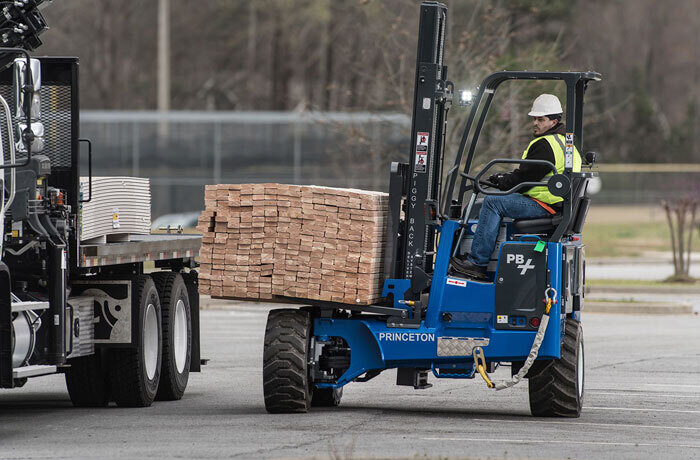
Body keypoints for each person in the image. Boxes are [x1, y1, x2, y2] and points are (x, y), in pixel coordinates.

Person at [451, 93, 582, 280]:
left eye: (541, 119)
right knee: (493, 200)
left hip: (543, 205)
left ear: (554, 121)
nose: (535, 123)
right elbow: (530, 174)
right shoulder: (566, 144)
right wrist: (504, 179)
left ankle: (477, 263)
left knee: (492, 203)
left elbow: (524, 179)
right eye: (534, 119)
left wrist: (502, 182)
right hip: (555, 204)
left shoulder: (545, 145)